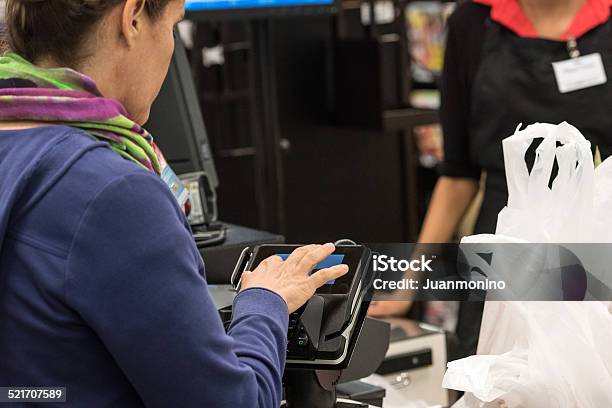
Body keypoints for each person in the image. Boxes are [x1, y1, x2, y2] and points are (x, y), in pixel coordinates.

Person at [0, 0, 349, 406]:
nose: (171, 47)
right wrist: (264, 302)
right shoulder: (114, 193)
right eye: (173, 26)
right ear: (132, 18)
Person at [370, 0, 612, 358]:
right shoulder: (473, 22)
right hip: (502, 252)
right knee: (491, 378)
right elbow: (457, 176)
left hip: (599, 246)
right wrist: (409, 283)